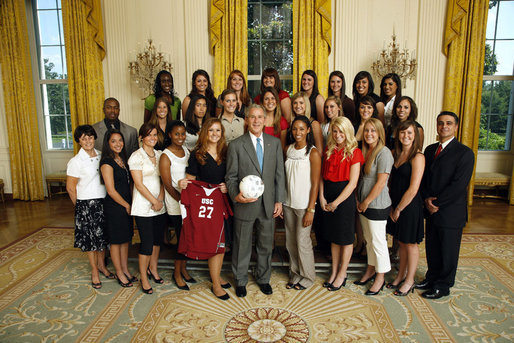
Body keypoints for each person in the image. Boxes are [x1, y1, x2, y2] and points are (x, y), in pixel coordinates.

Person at [226, 104, 286, 297]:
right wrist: (236, 195)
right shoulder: (236, 145)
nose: (257, 120)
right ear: (246, 120)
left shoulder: (274, 143)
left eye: (260, 117)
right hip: (245, 204)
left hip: (268, 204)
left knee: (265, 244)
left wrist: (279, 200)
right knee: (242, 243)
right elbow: (231, 177)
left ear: (265, 120)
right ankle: (241, 280)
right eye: (253, 117)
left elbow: (279, 175)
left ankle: (263, 278)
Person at [417, 111, 474, 299]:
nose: (444, 127)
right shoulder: (430, 150)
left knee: (448, 250)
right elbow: (424, 179)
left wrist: (437, 203)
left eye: (449, 123)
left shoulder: (465, 153)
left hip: (450, 212)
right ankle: (432, 277)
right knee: (433, 247)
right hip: (431, 209)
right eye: (441, 123)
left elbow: (458, 185)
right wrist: (426, 200)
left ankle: (443, 285)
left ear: (456, 126)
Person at [179, 118, 232, 300]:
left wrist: (227, 186)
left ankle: (217, 276)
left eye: (218, 130)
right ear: (205, 133)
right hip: (206, 205)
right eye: (211, 130)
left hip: (224, 201)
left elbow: (232, 176)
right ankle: (216, 284)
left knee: (222, 242)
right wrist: (183, 183)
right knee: (213, 244)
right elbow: (191, 181)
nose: (215, 134)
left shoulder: (226, 152)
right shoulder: (197, 154)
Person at [319, 116, 364, 291]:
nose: (338, 135)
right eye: (335, 131)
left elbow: (353, 183)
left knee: (345, 239)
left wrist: (336, 203)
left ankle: (342, 273)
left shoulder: (355, 152)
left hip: (343, 200)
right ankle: (334, 271)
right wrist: (322, 198)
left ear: (348, 132)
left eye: (341, 131)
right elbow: (322, 177)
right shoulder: (329, 149)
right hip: (328, 196)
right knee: (334, 238)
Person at [66, 125, 111, 289]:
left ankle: (102, 266)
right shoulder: (76, 162)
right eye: (83, 138)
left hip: (102, 202)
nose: (87, 141)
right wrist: (79, 208)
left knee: (102, 238)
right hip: (86, 204)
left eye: (90, 137)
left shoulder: (101, 155)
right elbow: (71, 188)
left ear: (94, 138)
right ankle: (94, 271)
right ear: (79, 141)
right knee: (91, 241)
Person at [354, 118, 394, 296]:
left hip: (376, 204)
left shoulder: (384, 153)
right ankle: (370, 269)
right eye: (367, 131)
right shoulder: (365, 150)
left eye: (373, 131)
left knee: (378, 242)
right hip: (363, 202)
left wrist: (366, 201)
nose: (369, 134)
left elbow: (381, 183)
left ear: (380, 134)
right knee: (369, 240)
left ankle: (380, 276)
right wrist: (359, 200)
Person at [386, 121, 425, 296]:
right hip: (395, 204)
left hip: (409, 206)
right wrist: (392, 206)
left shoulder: (418, 157)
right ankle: (400, 275)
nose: (406, 136)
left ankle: (410, 280)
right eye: (402, 133)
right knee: (401, 242)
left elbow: (413, 188)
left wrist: (399, 209)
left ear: (415, 135)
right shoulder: (396, 154)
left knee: (410, 244)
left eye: (409, 133)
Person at [283, 116, 321, 290]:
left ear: (308, 130)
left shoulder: (312, 152)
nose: (298, 132)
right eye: (294, 129)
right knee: (290, 242)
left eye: (301, 129)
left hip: (304, 205)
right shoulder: (288, 149)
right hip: (288, 203)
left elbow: (315, 184)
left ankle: (307, 276)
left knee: (302, 241)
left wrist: (311, 209)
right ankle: (295, 273)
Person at [128, 123, 167, 294]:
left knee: (158, 241)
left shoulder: (160, 155)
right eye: (149, 135)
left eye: (155, 135)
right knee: (147, 243)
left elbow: (164, 179)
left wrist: (160, 199)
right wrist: (153, 200)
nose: (152, 138)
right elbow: (138, 184)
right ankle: (144, 277)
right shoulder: (136, 157)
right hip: (143, 206)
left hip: (160, 204)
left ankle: (154, 269)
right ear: (141, 137)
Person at [159, 120, 194, 291]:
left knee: (187, 238)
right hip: (175, 203)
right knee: (181, 239)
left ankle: (184, 269)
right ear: (170, 135)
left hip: (186, 202)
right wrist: (181, 200)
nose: (180, 137)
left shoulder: (186, 151)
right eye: (176, 134)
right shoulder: (166, 155)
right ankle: (177, 273)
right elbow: (167, 184)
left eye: (182, 133)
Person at [100, 129, 136, 288]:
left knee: (125, 239)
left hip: (126, 203)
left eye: (120, 140)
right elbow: (111, 190)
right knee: (116, 241)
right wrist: (126, 205)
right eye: (113, 141)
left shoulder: (122, 158)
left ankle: (125, 269)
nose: (118, 144)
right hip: (115, 206)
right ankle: (119, 273)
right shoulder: (107, 162)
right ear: (108, 143)